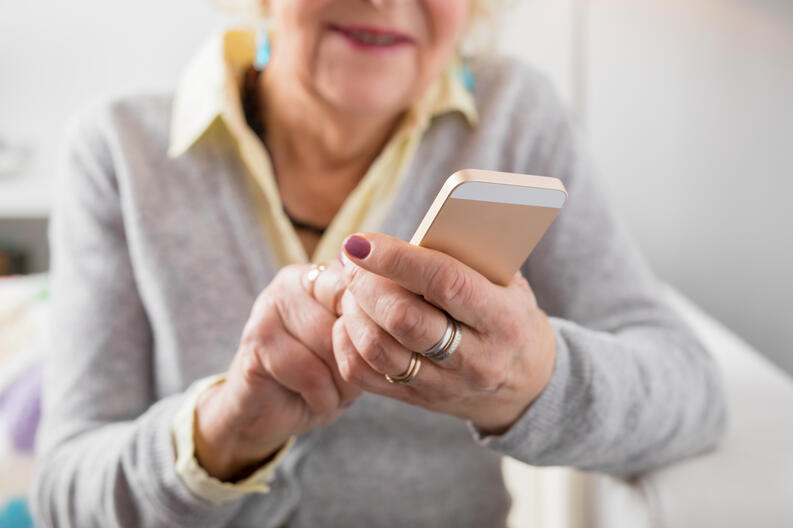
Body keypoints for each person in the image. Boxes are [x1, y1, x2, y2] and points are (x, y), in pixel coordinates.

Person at [32, 0, 727, 526]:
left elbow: (690, 392)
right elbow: (63, 489)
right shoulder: (119, 149)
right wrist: (223, 431)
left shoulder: (515, 116)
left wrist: (531, 378)